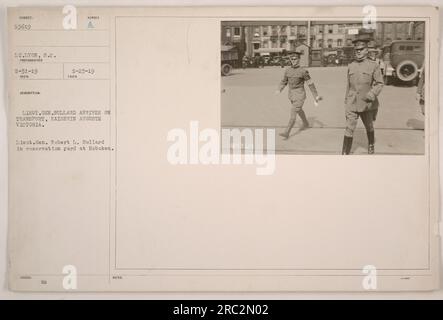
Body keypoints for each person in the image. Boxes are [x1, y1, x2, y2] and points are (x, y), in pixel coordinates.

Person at [342, 33, 384, 155]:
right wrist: (346, 101)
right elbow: (348, 86)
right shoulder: (351, 65)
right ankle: (345, 154)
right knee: (349, 128)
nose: (358, 52)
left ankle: (371, 145)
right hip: (352, 102)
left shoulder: (373, 66)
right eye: (356, 50)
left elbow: (380, 83)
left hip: (367, 103)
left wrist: (372, 94)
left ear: (366, 50)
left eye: (361, 49)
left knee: (369, 126)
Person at [275, 49, 322, 140]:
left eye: (295, 59)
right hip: (291, 94)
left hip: (300, 94)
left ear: (299, 59)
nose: (293, 61)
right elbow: (284, 81)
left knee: (293, 113)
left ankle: (287, 132)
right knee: (299, 110)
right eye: (292, 59)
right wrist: (279, 89)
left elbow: (311, 84)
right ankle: (306, 123)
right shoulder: (287, 70)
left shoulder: (303, 71)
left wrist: (315, 96)